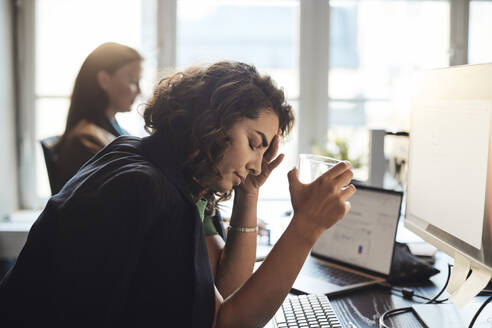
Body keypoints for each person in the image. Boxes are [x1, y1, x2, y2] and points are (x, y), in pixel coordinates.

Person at [0, 61, 355, 327]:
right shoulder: (152, 192)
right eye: (253, 143)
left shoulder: (154, 162)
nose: (256, 165)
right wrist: (306, 227)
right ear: (213, 120)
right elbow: (225, 324)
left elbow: (225, 287)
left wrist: (249, 193)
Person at [52, 42, 143, 193]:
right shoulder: (85, 140)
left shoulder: (114, 131)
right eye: (133, 81)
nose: (139, 90)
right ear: (104, 80)